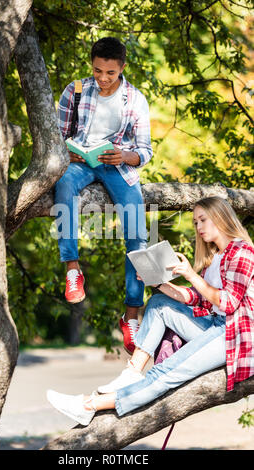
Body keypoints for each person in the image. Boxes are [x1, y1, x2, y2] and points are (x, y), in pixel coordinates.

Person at [47, 196, 254, 426]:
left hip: (232, 335)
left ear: (220, 217)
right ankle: (132, 372)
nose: (198, 227)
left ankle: (89, 405)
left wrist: (190, 275)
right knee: (158, 303)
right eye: (195, 222)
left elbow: (228, 303)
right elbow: (199, 299)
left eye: (202, 220)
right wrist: (157, 283)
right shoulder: (216, 257)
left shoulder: (242, 252)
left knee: (166, 372)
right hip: (214, 325)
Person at [53, 37, 153, 352]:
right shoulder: (76, 90)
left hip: (118, 167)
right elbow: (57, 137)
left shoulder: (135, 100)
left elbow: (145, 151)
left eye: (110, 72)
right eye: (98, 70)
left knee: (137, 232)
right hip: (80, 163)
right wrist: (69, 154)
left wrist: (124, 156)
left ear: (122, 68)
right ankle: (72, 269)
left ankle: (132, 316)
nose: (103, 78)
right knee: (64, 186)